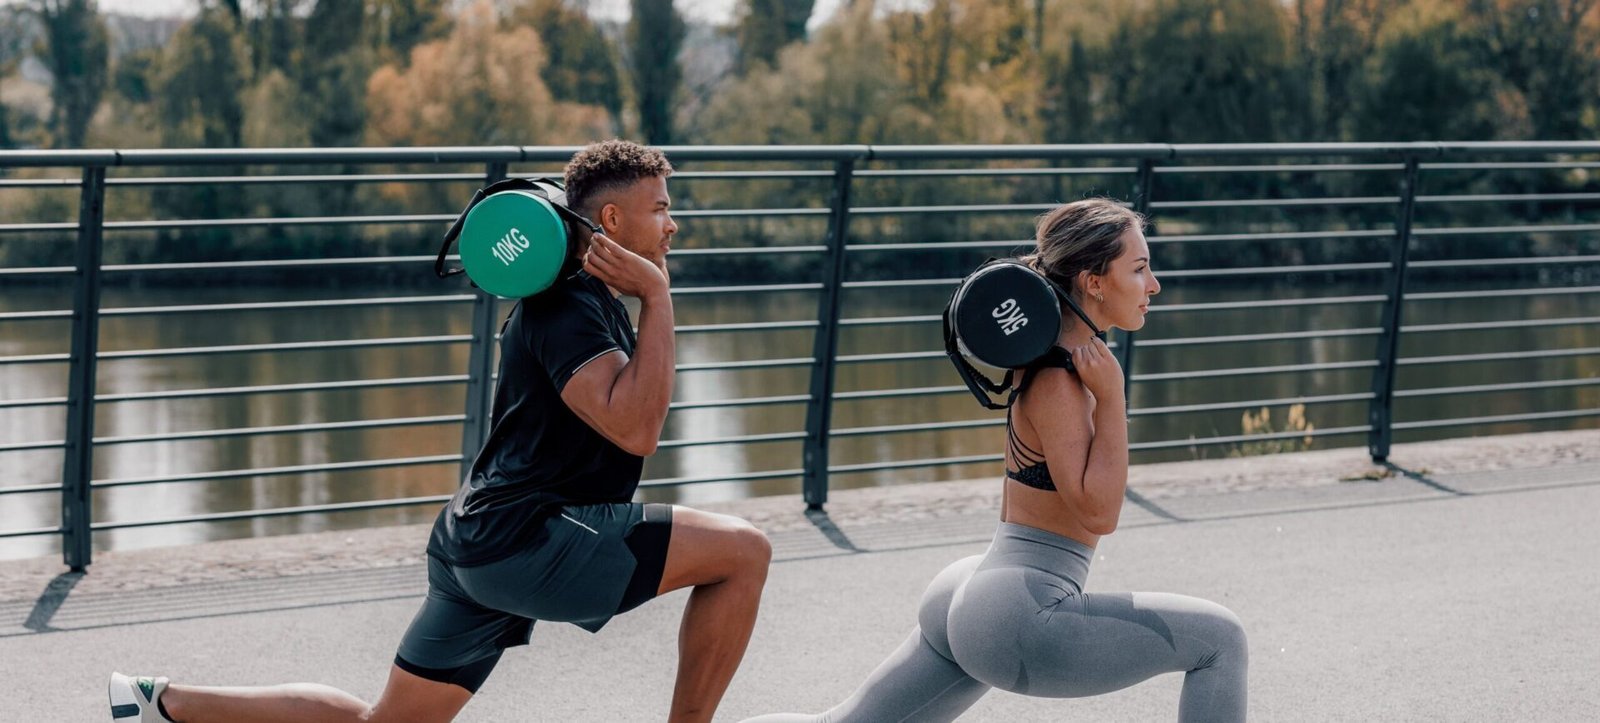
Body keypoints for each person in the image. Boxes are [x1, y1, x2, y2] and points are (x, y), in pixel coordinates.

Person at [108, 140, 773, 723]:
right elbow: (637, 429)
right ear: (612, 221)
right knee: (744, 552)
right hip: (526, 540)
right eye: (661, 208)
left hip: (475, 543)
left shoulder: (580, 301)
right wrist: (658, 295)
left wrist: (649, 296)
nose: (673, 224)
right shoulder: (569, 308)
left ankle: (161, 702)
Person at [743, 199, 1248, 723]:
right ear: (1094, 282)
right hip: (1017, 611)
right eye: (1139, 269)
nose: (1154, 285)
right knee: (1220, 640)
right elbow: (1099, 513)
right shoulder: (1062, 382)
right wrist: (1113, 398)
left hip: (979, 589)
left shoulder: (1051, 362)